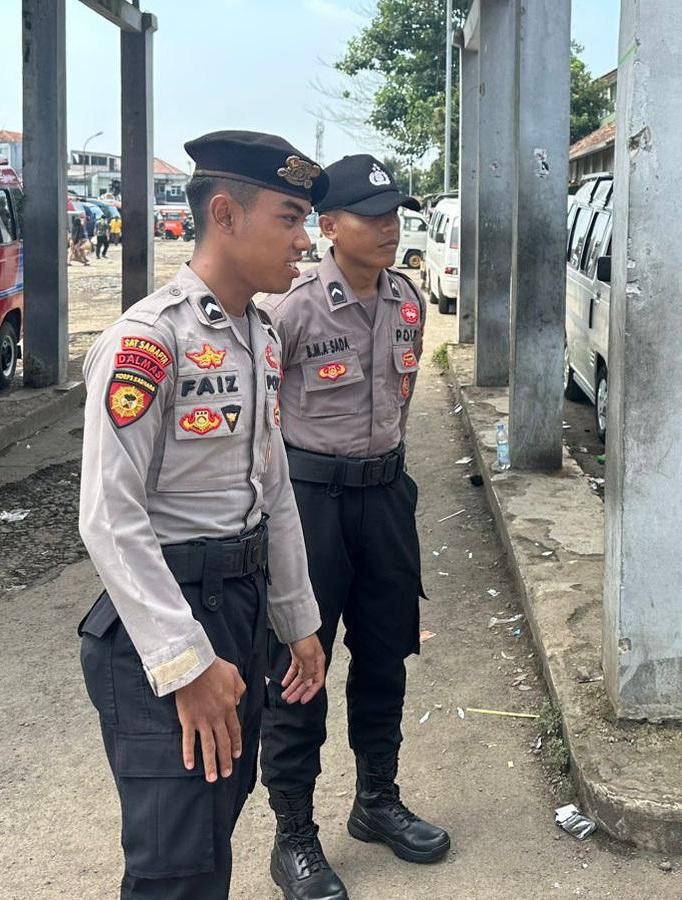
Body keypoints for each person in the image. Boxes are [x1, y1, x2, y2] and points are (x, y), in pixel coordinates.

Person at [77, 130, 332, 899]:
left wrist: (297, 620)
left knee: (215, 816)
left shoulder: (259, 336)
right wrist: (184, 665)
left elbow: (273, 486)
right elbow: (109, 516)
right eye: (289, 218)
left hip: (240, 606)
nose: (305, 239)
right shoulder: (148, 341)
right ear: (225, 214)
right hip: (168, 619)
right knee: (175, 864)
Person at [258, 154, 448, 900]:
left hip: (384, 498)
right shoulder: (291, 307)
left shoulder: (408, 300)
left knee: (384, 656)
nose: (388, 227)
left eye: (394, 213)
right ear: (327, 226)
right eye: (371, 217)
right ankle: (294, 835)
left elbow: (399, 403)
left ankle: (376, 801)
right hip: (310, 506)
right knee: (300, 670)